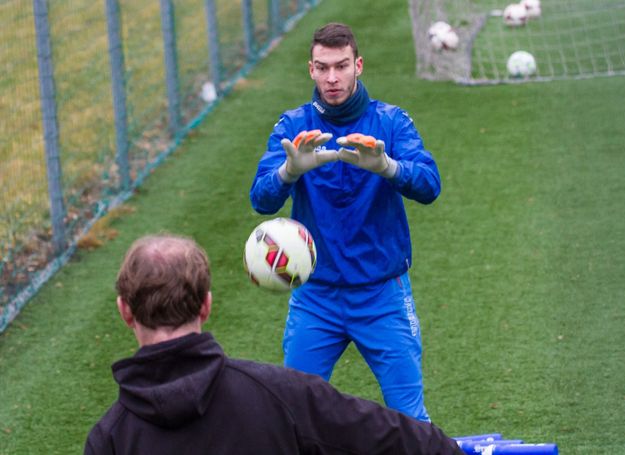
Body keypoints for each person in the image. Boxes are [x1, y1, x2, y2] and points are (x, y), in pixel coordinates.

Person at [84, 234, 464, 455]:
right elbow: (411, 443)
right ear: (206, 305)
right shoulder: (283, 395)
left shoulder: (110, 438)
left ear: (125, 311)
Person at [249, 23, 441, 422]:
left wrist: (389, 167)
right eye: (322, 68)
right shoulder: (291, 127)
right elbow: (261, 200)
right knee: (293, 417)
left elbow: (429, 185)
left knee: (411, 421)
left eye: (341, 66)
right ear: (310, 70)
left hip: (382, 296)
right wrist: (288, 171)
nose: (332, 78)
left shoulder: (391, 122)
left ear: (358, 65)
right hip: (315, 299)